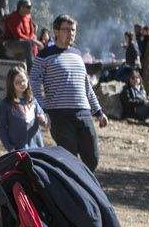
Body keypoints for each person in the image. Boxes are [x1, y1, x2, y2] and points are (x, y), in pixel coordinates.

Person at [29, 15, 107, 171]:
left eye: (73, 30)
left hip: (83, 113)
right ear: (56, 31)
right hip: (59, 115)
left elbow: (86, 86)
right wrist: (43, 109)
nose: (71, 33)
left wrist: (98, 112)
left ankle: (84, 189)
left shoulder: (78, 54)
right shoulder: (44, 55)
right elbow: (34, 82)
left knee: (92, 158)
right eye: (66, 30)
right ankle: (73, 192)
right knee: (69, 158)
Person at [0, 66, 44, 151]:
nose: (22, 84)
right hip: (18, 149)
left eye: (23, 80)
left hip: (36, 147)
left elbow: (43, 120)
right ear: (11, 84)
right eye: (17, 82)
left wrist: (43, 120)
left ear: (27, 79)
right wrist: (10, 147)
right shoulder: (6, 104)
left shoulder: (33, 100)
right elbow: (2, 128)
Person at [0, 0, 37, 64]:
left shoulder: (28, 16)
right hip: (10, 43)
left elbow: (32, 30)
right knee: (27, 44)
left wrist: (32, 39)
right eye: (28, 7)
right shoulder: (13, 18)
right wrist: (30, 40)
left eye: (30, 7)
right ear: (21, 8)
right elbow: (17, 35)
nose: (30, 9)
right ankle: (31, 69)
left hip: (23, 42)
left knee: (20, 63)